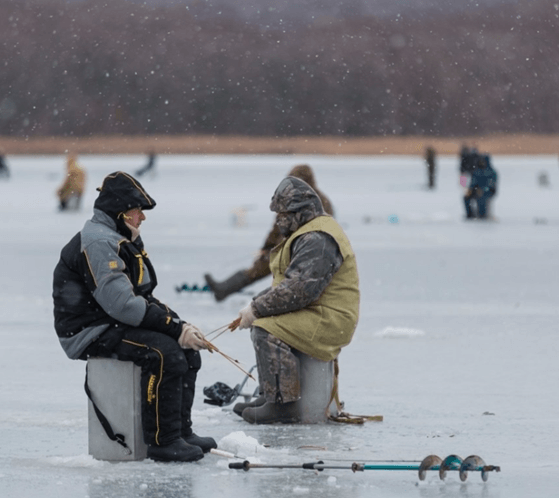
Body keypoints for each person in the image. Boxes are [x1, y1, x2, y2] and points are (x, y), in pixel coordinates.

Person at [52, 171, 215, 462]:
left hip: (110, 321)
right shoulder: (101, 243)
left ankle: (181, 432)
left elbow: (142, 297)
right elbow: (122, 305)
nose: (142, 217)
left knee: (188, 352)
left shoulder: (119, 237)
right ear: (120, 213)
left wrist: (179, 325)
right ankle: (162, 442)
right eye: (137, 211)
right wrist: (172, 329)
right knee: (164, 354)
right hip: (88, 330)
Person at [232, 176, 359, 424]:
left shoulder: (317, 239)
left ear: (300, 212)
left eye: (283, 214)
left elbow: (298, 291)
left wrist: (256, 309)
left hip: (330, 319)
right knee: (267, 321)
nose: (279, 220)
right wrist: (256, 303)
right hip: (317, 311)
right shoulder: (307, 232)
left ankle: (283, 405)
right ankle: (271, 394)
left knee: (265, 329)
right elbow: (288, 284)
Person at [204, 164, 334, 302]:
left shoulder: (311, 201)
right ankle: (223, 289)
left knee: (275, 277)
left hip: (301, 250)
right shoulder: (315, 200)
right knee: (258, 271)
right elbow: (278, 226)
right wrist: (267, 247)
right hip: (284, 248)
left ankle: (225, 291)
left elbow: (326, 228)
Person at [463, 154, 498, 220]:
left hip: (488, 191)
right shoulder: (476, 171)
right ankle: (470, 214)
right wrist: (470, 190)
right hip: (476, 190)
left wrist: (484, 189)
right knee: (466, 197)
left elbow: (491, 184)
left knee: (481, 198)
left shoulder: (491, 172)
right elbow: (473, 182)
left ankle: (482, 214)